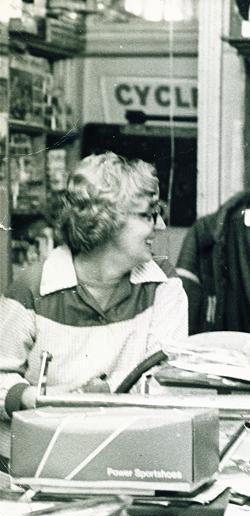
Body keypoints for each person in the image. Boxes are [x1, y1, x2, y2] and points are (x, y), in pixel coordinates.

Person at [0, 152, 188, 467]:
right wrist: (42, 399)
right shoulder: (33, 286)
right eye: (147, 215)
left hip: (122, 459)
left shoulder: (163, 286)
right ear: (106, 221)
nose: (160, 225)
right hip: (31, 464)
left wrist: (104, 397)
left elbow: (167, 383)